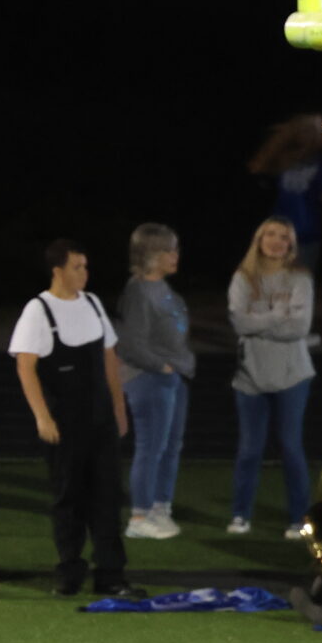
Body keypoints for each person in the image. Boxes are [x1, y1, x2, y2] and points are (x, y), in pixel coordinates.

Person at [9, 240, 134, 598]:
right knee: (69, 497)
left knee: (108, 496)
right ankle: (69, 571)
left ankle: (110, 573)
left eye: (86, 266)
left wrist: (118, 407)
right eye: (77, 267)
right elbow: (25, 366)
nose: (84, 273)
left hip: (100, 420)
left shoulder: (92, 304)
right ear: (58, 271)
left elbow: (109, 359)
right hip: (65, 423)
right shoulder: (38, 310)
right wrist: (42, 417)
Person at [228, 218, 317, 537]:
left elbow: (300, 328)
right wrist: (278, 314)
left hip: (292, 376)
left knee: (291, 447)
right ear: (259, 238)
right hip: (250, 378)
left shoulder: (300, 278)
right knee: (249, 450)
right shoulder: (243, 278)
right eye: (270, 235)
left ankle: (299, 519)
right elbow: (239, 323)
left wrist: (258, 322)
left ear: (291, 244)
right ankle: (240, 515)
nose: (277, 242)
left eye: (284, 237)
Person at [118, 224, 194, 540]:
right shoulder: (138, 291)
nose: (175, 256)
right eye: (168, 250)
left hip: (173, 376)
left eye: (175, 249)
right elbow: (132, 344)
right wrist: (161, 367)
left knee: (170, 446)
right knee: (151, 447)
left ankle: (160, 507)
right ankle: (139, 516)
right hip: (149, 379)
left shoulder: (164, 289)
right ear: (150, 254)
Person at [249, 112, 322, 275]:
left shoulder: (321, 161)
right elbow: (259, 168)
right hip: (280, 231)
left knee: (301, 281)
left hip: (306, 233)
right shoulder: (285, 157)